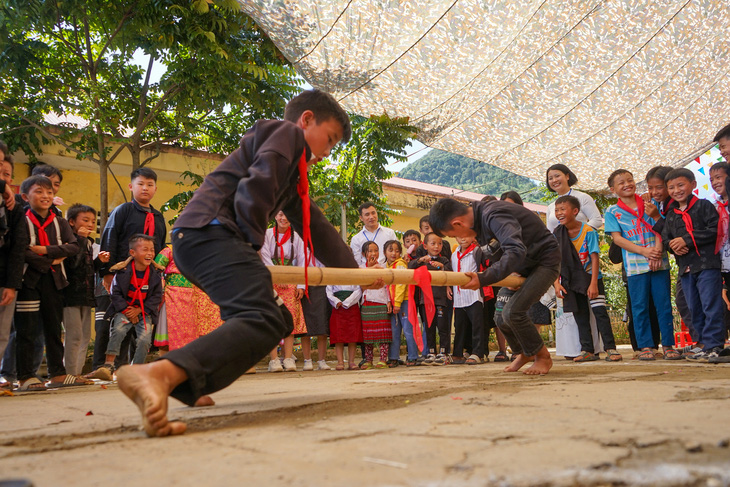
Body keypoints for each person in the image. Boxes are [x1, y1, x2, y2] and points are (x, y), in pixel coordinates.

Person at [115, 89, 359, 437]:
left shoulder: (291, 175)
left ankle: (184, 382)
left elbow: (314, 225)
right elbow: (255, 188)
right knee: (260, 316)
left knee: (276, 319)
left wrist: (358, 273)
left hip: (204, 240)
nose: (327, 151)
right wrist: (249, 245)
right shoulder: (285, 134)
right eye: (330, 139)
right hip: (210, 234)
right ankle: (157, 374)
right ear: (306, 120)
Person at [429, 197, 560, 375]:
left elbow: (515, 250)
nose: (458, 238)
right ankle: (524, 352)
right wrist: (511, 273)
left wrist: (483, 278)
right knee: (500, 317)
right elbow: (504, 253)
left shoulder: (493, 214)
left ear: (457, 223)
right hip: (522, 267)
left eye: (454, 235)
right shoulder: (480, 221)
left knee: (513, 313)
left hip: (545, 261)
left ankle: (542, 357)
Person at [87, 167, 167, 380]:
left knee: (140, 327)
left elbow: (158, 251)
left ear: (155, 189)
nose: (145, 188)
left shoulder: (158, 217)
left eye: (150, 185)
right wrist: (107, 272)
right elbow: (109, 238)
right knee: (111, 322)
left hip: (145, 281)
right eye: (140, 184)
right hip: (118, 277)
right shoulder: (123, 211)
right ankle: (103, 368)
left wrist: (158, 279)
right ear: (131, 186)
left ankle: (128, 370)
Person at [14, 176, 91, 390]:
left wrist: (45, 250)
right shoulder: (21, 219)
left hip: (55, 281)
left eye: (49, 192)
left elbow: (74, 246)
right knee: (27, 330)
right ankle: (25, 376)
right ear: (25, 196)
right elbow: (21, 249)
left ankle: (57, 373)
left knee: (54, 328)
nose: (45, 196)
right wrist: (49, 260)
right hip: (28, 282)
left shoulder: (60, 222)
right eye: (39, 191)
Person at [604, 169, 678, 361]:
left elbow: (660, 227)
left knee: (663, 305)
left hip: (659, 262)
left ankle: (669, 345)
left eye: (630, 180)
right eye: (621, 183)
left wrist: (657, 252)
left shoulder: (650, 202)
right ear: (613, 189)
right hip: (635, 266)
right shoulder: (612, 211)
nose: (627, 184)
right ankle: (645, 346)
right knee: (639, 307)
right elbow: (618, 240)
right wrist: (645, 252)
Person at [662, 168, 724, 362]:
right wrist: (673, 246)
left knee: (710, 304)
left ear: (693, 185)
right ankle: (702, 343)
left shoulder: (704, 206)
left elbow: (715, 229)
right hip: (686, 268)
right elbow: (666, 238)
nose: (676, 190)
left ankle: (715, 344)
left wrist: (686, 239)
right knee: (693, 306)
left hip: (707, 264)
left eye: (681, 185)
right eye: (671, 187)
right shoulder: (671, 215)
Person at [552, 195, 621, 362]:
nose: (559, 213)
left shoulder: (588, 231)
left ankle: (610, 348)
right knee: (580, 315)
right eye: (556, 210)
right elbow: (554, 260)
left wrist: (593, 284)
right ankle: (587, 349)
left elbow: (594, 257)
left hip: (591, 277)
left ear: (575, 211)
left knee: (600, 313)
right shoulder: (557, 233)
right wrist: (556, 284)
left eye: (563, 209)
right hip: (570, 281)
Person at [644, 166, 694, 347]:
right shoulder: (663, 204)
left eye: (659, 187)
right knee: (684, 300)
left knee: (689, 301)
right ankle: (701, 341)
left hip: (694, 260)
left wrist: (657, 217)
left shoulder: (676, 206)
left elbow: (673, 232)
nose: (654, 192)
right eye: (650, 188)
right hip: (683, 261)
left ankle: (705, 342)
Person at [98, 235, 163, 375]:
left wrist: (139, 310)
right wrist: (127, 310)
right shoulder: (122, 271)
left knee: (145, 339)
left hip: (144, 312)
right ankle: (109, 364)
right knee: (118, 330)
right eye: (145, 249)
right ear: (132, 253)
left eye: (152, 250)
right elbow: (115, 293)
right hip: (124, 310)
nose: (150, 253)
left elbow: (156, 296)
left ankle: (136, 369)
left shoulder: (155, 274)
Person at [62, 204, 110, 376]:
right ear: (72, 222)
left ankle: (77, 374)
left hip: (85, 295)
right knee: (73, 336)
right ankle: (68, 374)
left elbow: (87, 269)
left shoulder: (89, 243)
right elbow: (73, 266)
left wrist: (99, 262)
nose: (90, 224)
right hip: (70, 295)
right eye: (85, 220)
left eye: (92, 220)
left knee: (83, 337)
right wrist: (81, 240)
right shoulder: (70, 241)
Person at [260, 210, 307, 372]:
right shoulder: (266, 234)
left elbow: (301, 260)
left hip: (291, 282)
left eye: (287, 215)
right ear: (275, 216)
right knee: (272, 318)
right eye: (280, 215)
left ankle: (288, 358)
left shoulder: (297, 237)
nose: (283, 218)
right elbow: (264, 256)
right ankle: (274, 360)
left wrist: (301, 285)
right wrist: (276, 276)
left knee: (290, 319)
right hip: (271, 280)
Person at [154, 245, 223, 352]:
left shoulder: (207, 251)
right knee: (173, 332)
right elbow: (154, 269)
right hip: (174, 296)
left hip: (199, 295)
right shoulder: (170, 250)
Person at [0, 151, 27, 389]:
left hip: (4, 278)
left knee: (2, 333)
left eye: (6, 174)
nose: (3, 177)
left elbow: (19, 248)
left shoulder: (15, 208)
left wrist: (11, 283)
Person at [408, 232, 452, 365]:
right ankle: (431, 352)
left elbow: (450, 271)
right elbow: (410, 267)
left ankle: (444, 353)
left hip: (440, 300)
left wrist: (441, 266)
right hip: (425, 300)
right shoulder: (421, 261)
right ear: (425, 246)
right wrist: (420, 260)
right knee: (429, 327)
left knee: (443, 327)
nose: (436, 246)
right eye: (433, 243)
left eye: (439, 243)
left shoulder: (444, 260)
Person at [451, 235, 486, 364]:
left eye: (467, 236)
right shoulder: (454, 254)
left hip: (474, 294)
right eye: (460, 237)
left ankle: (478, 353)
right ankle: (458, 353)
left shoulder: (477, 251)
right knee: (459, 325)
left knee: (477, 324)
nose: (463, 239)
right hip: (459, 295)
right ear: (456, 238)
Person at [384, 239, 419, 366]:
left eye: (397, 251)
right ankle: (393, 357)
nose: (394, 253)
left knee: (408, 329)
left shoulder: (400, 264)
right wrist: (390, 302)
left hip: (403, 301)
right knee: (394, 330)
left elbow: (401, 284)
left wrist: (397, 303)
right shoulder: (386, 266)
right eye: (390, 250)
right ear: (385, 252)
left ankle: (413, 357)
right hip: (393, 303)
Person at [359, 241, 392, 369]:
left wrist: (389, 301)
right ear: (364, 254)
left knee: (383, 333)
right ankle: (368, 360)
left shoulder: (383, 267)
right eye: (370, 251)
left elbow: (388, 286)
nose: (373, 253)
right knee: (368, 334)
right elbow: (360, 286)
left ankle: (383, 359)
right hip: (367, 303)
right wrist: (370, 269)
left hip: (382, 301)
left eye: (376, 250)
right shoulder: (361, 268)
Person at [545, 164, 603, 232]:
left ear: (567, 176)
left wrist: (579, 234)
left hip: (580, 241)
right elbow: (550, 231)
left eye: (557, 176)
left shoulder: (583, 197)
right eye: (550, 178)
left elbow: (597, 220)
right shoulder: (551, 207)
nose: (554, 180)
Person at [300, 253, 333, 371]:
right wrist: (301, 286)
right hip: (306, 285)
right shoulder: (301, 242)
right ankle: (307, 360)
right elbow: (298, 263)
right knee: (306, 326)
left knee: (322, 324)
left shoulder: (324, 245)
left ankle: (322, 360)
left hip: (323, 284)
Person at [709, 161, 730, 342]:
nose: (715, 182)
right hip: (725, 262)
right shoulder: (717, 206)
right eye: (711, 179)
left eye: (718, 177)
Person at [327, 283, 362, 370]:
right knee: (338, 335)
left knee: (353, 335)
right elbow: (328, 291)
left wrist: (348, 302)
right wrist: (336, 301)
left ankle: (351, 361)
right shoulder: (332, 275)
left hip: (352, 306)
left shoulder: (354, 273)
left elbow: (359, 289)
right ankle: (340, 361)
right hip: (338, 307)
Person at [350, 202, 397, 267]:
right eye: (367, 214)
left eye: (373, 213)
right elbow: (356, 263)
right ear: (361, 218)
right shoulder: (356, 239)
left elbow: (397, 256)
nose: (371, 217)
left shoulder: (389, 233)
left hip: (387, 273)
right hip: (366, 274)